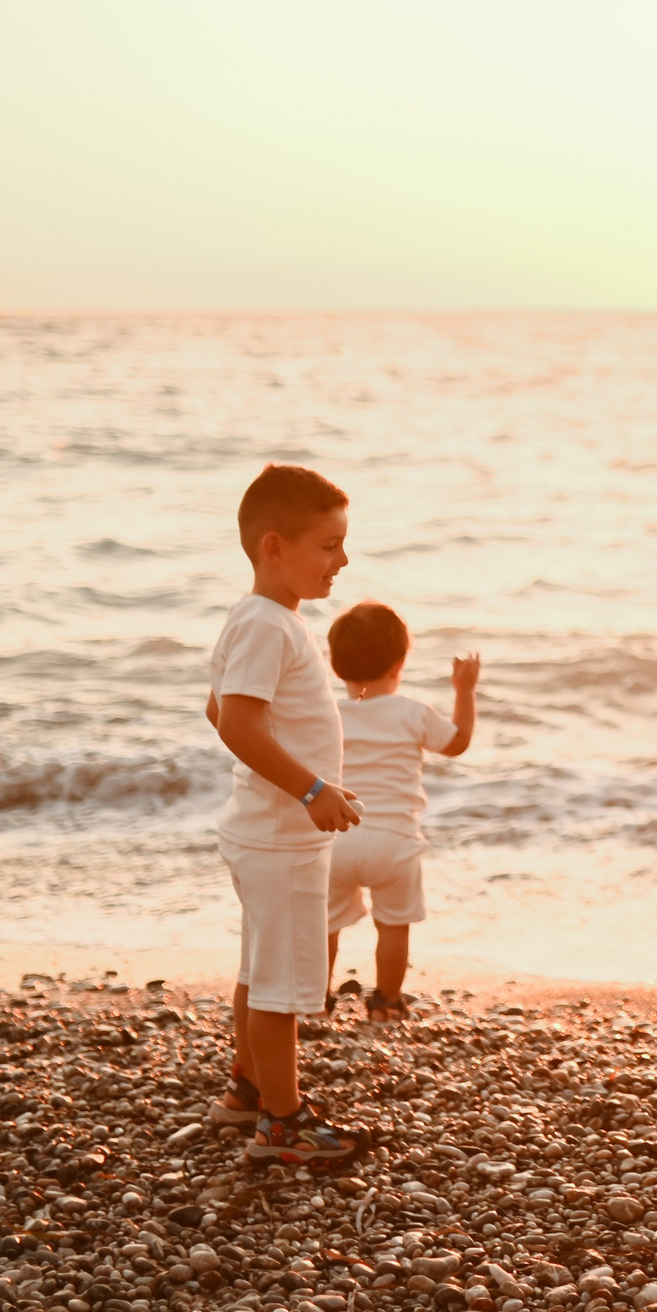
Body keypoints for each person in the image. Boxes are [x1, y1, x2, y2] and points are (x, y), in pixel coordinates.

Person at [202, 463, 373, 1167]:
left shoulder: (258, 620)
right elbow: (238, 726)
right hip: (280, 836)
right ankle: (283, 1122)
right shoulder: (271, 626)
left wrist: (316, 786)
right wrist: (311, 790)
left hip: (263, 829)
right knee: (279, 984)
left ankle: (247, 1089)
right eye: (328, 545)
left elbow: (218, 707)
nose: (343, 559)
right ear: (275, 547)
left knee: (258, 967)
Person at [323, 600, 479, 1020]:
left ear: (336, 666)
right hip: (394, 842)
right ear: (400, 662)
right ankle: (386, 1002)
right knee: (392, 926)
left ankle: (315, 999)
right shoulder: (412, 712)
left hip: (335, 836)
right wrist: (464, 690)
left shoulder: (328, 714)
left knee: (326, 925)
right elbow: (458, 741)